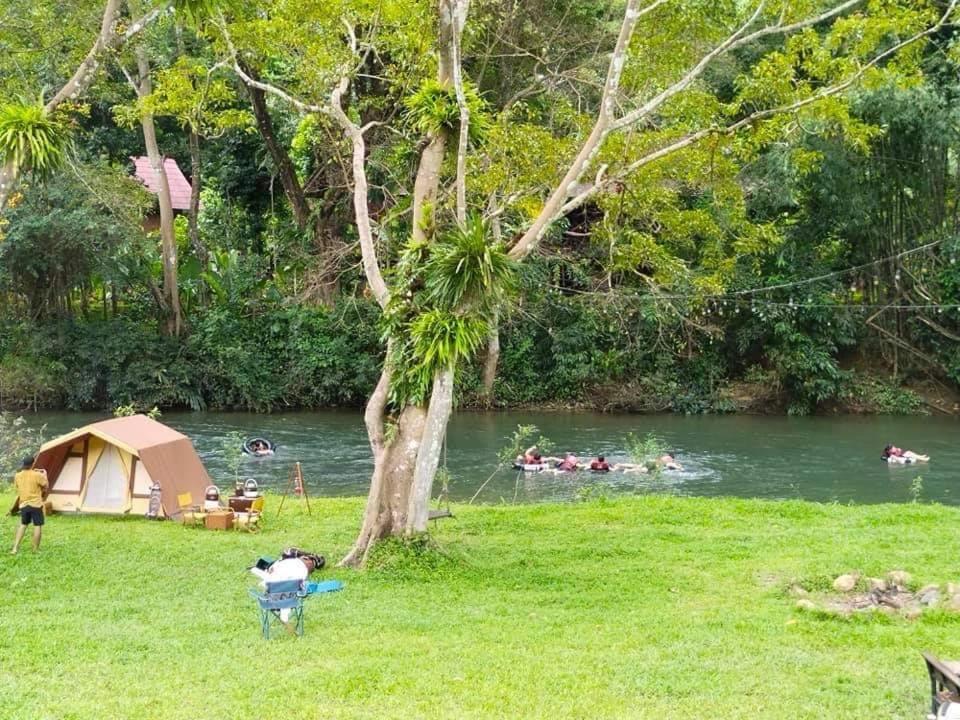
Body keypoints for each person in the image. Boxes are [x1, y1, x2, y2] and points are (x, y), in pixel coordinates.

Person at [11, 456, 48, 555]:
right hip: (36, 504)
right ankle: (35, 549)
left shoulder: (17, 475)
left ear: (23, 463)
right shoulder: (37, 475)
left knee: (23, 525)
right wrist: (45, 475)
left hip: (24, 504)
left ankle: (15, 548)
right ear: (33, 463)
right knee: (37, 525)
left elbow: (17, 487)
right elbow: (46, 486)